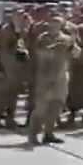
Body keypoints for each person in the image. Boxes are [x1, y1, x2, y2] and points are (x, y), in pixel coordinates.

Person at [26, 13, 79, 146]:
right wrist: (54, 49)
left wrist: (72, 47)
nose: (54, 26)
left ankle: (48, 133)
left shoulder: (66, 39)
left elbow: (76, 54)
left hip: (60, 77)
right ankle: (33, 134)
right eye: (52, 23)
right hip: (44, 77)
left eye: (57, 24)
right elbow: (38, 53)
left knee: (57, 105)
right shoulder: (42, 38)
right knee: (41, 108)